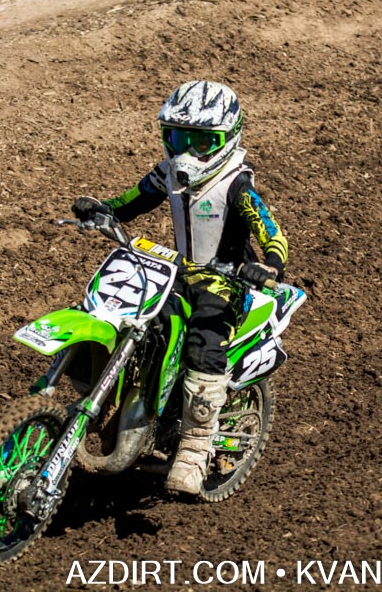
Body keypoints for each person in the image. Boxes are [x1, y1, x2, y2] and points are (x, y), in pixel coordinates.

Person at [71, 80, 289, 495]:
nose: (187, 151)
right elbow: (130, 202)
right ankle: (117, 399)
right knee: (126, 312)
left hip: (227, 283)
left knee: (204, 348)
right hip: (179, 273)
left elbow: (271, 231)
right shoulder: (167, 174)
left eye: (202, 141)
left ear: (227, 139)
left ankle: (194, 450)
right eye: (178, 138)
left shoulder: (237, 184)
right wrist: (100, 210)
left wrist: (271, 265)